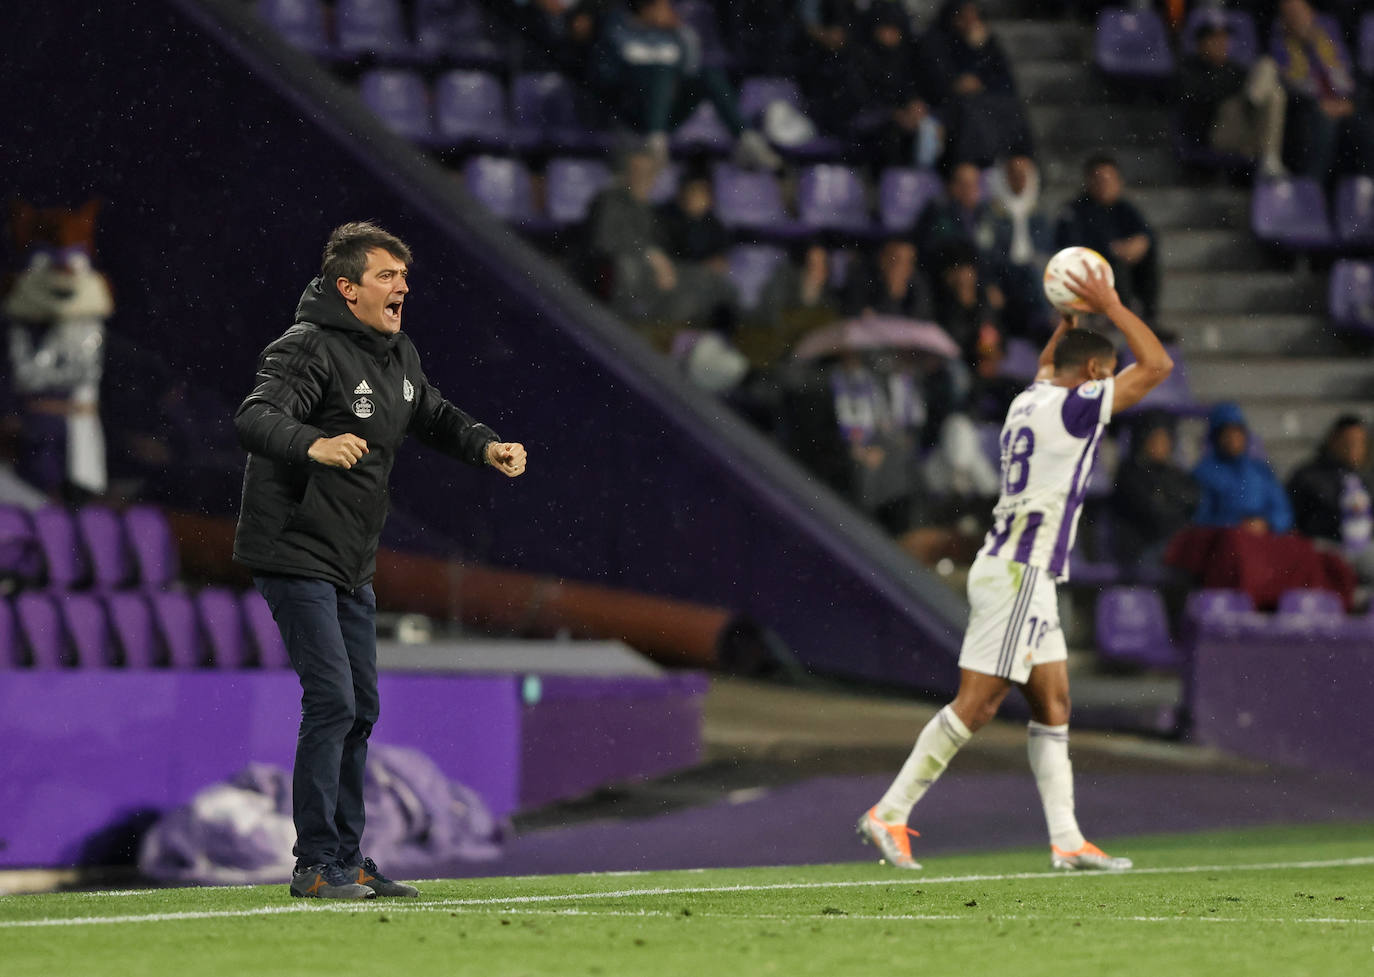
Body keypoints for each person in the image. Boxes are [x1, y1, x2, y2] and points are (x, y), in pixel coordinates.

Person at [233, 222, 527, 900]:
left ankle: (347, 857)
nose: (403, 286)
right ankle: (314, 864)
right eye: (387, 276)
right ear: (348, 287)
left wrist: (485, 445)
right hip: (293, 546)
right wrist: (313, 443)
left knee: (361, 705)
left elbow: (434, 413)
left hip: (350, 557)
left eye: (403, 275)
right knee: (333, 698)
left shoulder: (398, 355)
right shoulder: (307, 348)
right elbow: (256, 417)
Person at [858, 260, 1173, 872]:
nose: (1108, 389)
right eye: (1104, 377)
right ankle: (889, 813)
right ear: (1090, 376)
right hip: (1018, 575)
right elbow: (1158, 366)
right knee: (975, 706)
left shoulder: (1029, 399)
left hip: (1023, 573)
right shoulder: (1077, 408)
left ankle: (1067, 840)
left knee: (1053, 703)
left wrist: (1067, 323)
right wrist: (1109, 306)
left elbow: (1045, 367)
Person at [591, 0, 780, 169]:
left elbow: (692, 66)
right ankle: (654, 142)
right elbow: (604, 77)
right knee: (661, 70)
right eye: (662, 5)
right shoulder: (618, 29)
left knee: (709, 74)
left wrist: (681, 31)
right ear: (647, 7)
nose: (669, 9)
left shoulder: (673, 34)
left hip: (667, 110)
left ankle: (746, 139)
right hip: (630, 110)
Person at [582, 149, 736, 324]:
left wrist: (662, 261)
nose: (643, 179)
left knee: (705, 278)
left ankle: (683, 331)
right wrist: (649, 255)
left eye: (648, 174)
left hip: (652, 275)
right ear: (625, 173)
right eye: (637, 172)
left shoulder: (649, 210)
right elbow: (605, 242)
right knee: (627, 268)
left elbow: (662, 247)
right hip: (614, 274)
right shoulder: (607, 200)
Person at [919, 0, 1033, 165]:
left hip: (984, 101)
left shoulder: (986, 42)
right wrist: (960, 79)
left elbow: (1006, 82)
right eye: (964, 16)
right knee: (971, 113)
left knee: (1011, 110)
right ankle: (972, 166)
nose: (970, 21)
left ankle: (1018, 163)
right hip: (947, 105)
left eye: (974, 15)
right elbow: (936, 81)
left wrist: (979, 51)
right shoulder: (936, 40)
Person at [1054, 155, 1160, 328]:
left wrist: (1140, 242)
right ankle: (1116, 315)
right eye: (1100, 180)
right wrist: (1111, 249)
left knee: (1148, 254)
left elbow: (1145, 234)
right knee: (1112, 263)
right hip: (1089, 274)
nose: (1106, 185)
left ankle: (1148, 317)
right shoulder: (1075, 211)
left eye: (1110, 179)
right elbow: (1070, 246)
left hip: (1122, 267)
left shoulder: (1124, 209)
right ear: (1088, 181)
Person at [1271, 0, 1370, 181]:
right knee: (1324, 123)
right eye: (1290, 15)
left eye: (1301, 14)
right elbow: (1291, 84)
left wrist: (1349, 101)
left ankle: (1366, 188)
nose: (1298, 19)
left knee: (1367, 125)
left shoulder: (1328, 38)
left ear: (1312, 14)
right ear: (1284, 20)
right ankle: (1312, 186)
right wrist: (1321, 101)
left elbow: (1347, 74)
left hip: (1341, 102)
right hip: (1311, 106)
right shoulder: (1281, 45)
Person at [1176, 16, 1288, 177]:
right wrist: (1236, 93)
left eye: (1224, 39)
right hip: (1215, 135)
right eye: (1215, 39)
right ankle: (1269, 155)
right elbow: (1201, 101)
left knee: (1274, 88)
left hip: (1246, 131)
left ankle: (1269, 154)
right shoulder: (1190, 69)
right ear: (1202, 43)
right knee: (1267, 82)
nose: (1222, 44)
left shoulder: (1234, 69)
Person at [1287, 414, 1374, 581]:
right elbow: (1291, 521)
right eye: (1349, 442)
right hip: (1325, 546)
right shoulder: (1308, 476)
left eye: (1360, 443)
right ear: (1333, 441)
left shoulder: (1366, 480)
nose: (1355, 448)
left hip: (1364, 548)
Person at [1111, 413, 1200, 575]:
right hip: (1142, 548)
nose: (1160, 445)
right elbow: (1149, 512)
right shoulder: (1129, 473)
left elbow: (1192, 503)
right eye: (1155, 440)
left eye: (1164, 440)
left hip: (1173, 545)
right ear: (1143, 441)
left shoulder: (1176, 474)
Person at [1191, 401, 1292, 535]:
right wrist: (1237, 525)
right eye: (1227, 434)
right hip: (1226, 542)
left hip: (1265, 539)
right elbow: (1200, 519)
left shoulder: (1261, 470)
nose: (1233, 439)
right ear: (1216, 437)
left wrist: (1268, 523)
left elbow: (1282, 510)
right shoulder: (1203, 473)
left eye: (1237, 433)